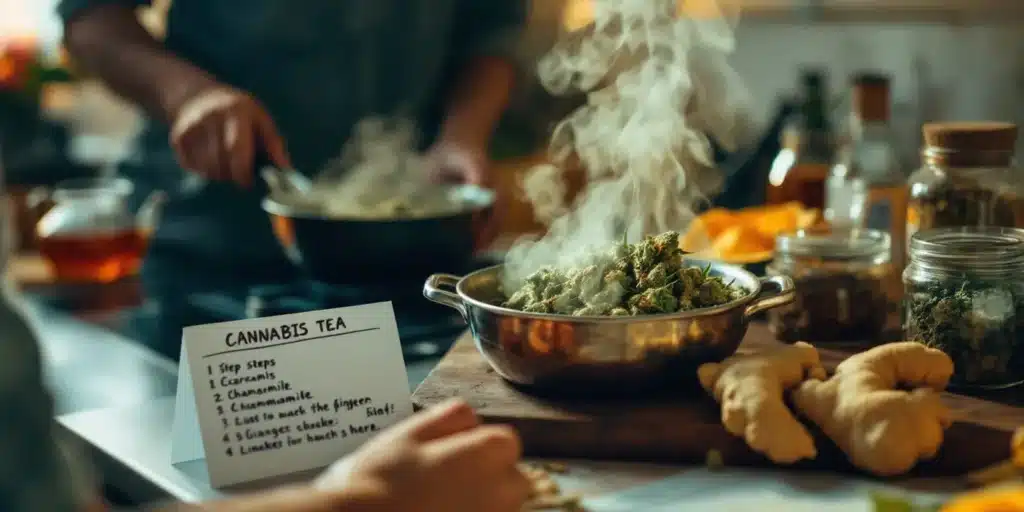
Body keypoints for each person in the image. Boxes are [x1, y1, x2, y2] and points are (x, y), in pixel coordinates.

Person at [57, 0, 525, 356]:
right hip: (211, 256)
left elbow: (492, 29)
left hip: (404, 263)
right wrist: (188, 96)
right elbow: (91, 17)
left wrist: (462, 138)